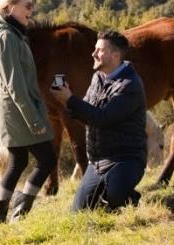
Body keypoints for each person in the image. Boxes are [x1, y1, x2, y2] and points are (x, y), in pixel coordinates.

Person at [0, 0, 57, 223]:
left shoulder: (11, 33)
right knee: (47, 160)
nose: (32, 10)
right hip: (17, 112)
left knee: (18, 161)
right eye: (27, 5)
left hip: (12, 110)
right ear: (10, 7)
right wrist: (34, 120)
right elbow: (15, 86)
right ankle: (20, 211)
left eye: (33, 5)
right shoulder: (6, 38)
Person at [51, 30, 147, 212]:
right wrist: (67, 102)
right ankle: (113, 193)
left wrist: (70, 99)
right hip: (97, 161)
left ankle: (129, 197)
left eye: (99, 50)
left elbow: (102, 118)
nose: (93, 54)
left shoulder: (129, 85)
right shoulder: (98, 78)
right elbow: (88, 111)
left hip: (125, 159)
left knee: (115, 196)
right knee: (79, 211)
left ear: (115, 55)